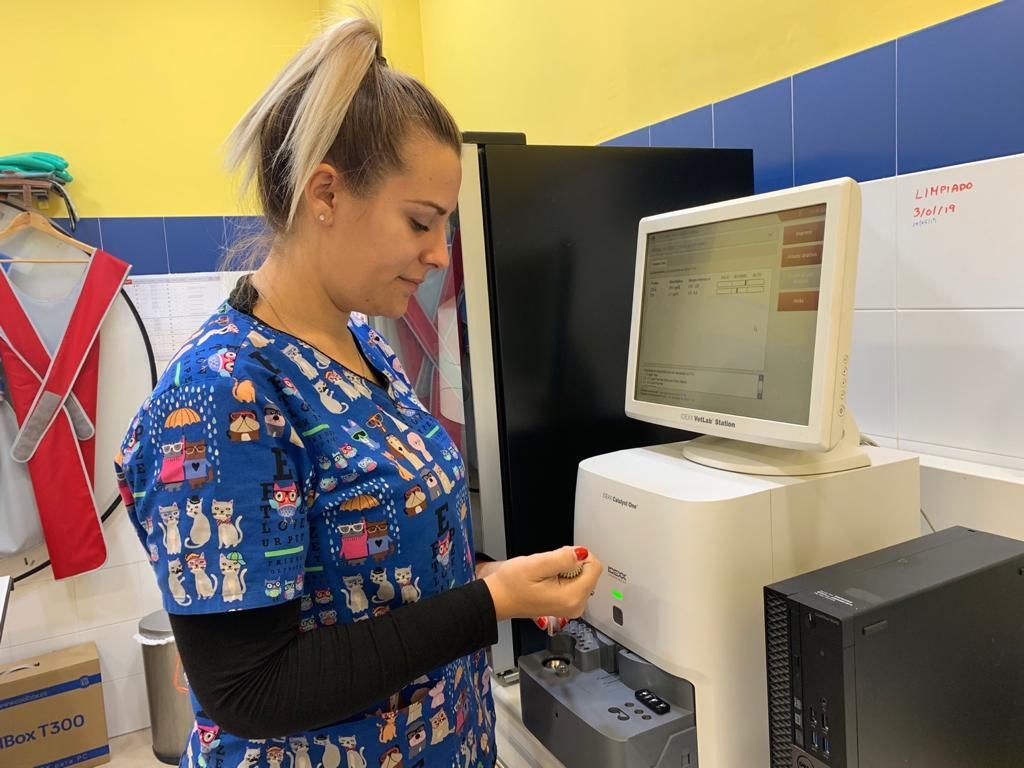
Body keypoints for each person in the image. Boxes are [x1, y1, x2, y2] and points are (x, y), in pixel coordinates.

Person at [114, 14, 602, 768]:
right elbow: (248, 689)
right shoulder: (223, 391)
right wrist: (490, 604)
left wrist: (492, 578)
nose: (439, 256)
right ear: (326, 194)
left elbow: (386, 576)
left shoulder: (365, 344)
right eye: (421, 222)